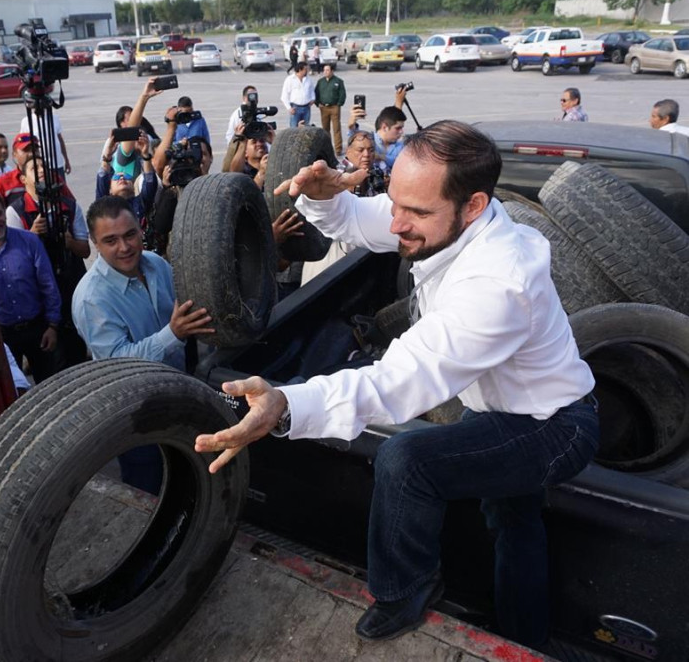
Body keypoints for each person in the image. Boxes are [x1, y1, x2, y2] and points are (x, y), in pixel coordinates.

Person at [194, 120, 600, 648]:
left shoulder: (500, 284)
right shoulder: (446, 218)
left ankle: (407, 589)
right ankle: (526, 636)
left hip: (553, 424)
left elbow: (397, 382)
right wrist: (323, 199)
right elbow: (365, 221)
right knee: (511, 517)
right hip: (502, 405)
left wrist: (287, 404)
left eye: (416, 213)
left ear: (473, 205)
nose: (398, 222)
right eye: (395, 201)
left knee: (407, 463)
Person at [72, 196, 215, 491]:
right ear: (95, 244)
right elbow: (120, 364)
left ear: (140, 230)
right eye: (110, 240)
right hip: (136, 413)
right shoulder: (92, 299)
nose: (124, 248)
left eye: (129, 235)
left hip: (179, 394)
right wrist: (172, 334)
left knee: (187, 475)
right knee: (146, 486)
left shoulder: (156, 264)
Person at [5, 155, 90, 368]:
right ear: (23, 179)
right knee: (51, 359)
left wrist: (69, 242)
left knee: (76, 350)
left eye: (44, 166)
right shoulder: (15, 212)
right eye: (35, 168)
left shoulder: (69, 206)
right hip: (39, 295)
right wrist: (31, 236)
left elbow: (85, 250)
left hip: (70, 286)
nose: (42, 169)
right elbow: (13, 262)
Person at [0, 189, 62, 384]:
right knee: (12, 392)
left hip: (38, 330)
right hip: (2, 337)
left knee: (51, 388)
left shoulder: (30, 241)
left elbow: (48, 285)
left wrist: (52, 326)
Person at [300, 130, 385, 286]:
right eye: (360, 150)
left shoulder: (376, 176)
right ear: (348, 151)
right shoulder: (333, 175)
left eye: (371, 150)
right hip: (332, 250)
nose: (366, 154)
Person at [20, 111, 72, 178]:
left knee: (60, 187)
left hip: (57, 163)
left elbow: (60, 140)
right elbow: (23, 145)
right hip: (39, 166)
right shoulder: (26, 121)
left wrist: (66, 160)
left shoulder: (54, 118)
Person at [0, 133, 40, 205]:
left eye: (35, 149)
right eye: (26, 150)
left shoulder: (53, 178)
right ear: (14, 154)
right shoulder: (2, 183)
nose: (31, 154)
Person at [314, 64, 347, 154]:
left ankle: (338, 149)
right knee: (325, 129)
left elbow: (342, 94)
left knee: (336, 128)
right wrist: (317, 103)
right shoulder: (321, 82)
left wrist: (339, 104)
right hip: (323, 108)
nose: (325, 72)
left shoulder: (338, 81)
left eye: (327, 70)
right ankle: (327, 149)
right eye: (324, 70)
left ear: (332, 71)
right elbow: (316, 93)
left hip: (334, 107)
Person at [280, 62, 315, 128]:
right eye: (305, 69)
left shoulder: (308, 80)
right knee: (294, 129)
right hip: (295, 108)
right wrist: (289, 108)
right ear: (300, 70)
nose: (307, 71)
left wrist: (313, 99)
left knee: (306, 129)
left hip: (306, 108)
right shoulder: (290, 80)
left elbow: (312, 91)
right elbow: (284, 96)